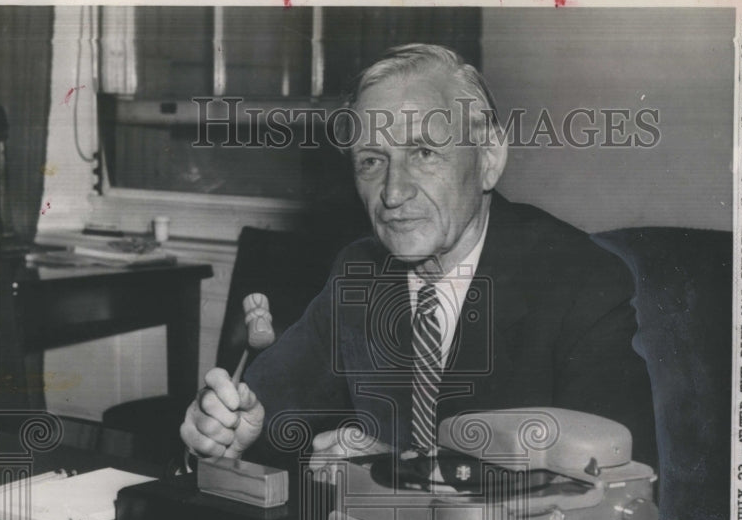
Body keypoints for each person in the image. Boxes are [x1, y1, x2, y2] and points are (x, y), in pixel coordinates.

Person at [180, 43, 655, 471]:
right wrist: (229, 431)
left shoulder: (580, 283)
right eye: (372, 160)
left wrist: (402, 474)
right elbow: (263, 412)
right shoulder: (359, 274)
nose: (393, 191)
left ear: (488, 158)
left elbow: (613, 487)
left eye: (424, 152)